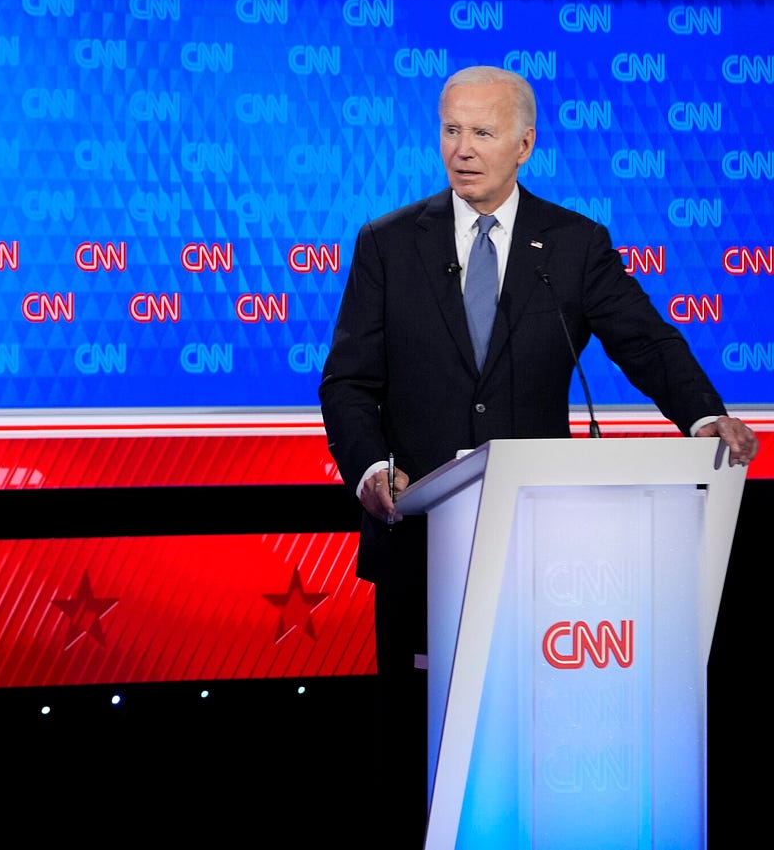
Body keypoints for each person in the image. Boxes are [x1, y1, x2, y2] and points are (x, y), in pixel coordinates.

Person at [317, 64, 760, 846]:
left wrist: (703, 415)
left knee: (531, 740)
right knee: (418, 754)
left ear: (525, 142)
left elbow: (645, 343)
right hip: (424, 541)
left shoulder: (575, 245)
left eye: (482, 133)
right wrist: (374, 470)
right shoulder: (388, 243)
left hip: (544, 547)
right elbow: (348, 382)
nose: (462, 149)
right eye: (450, 129)